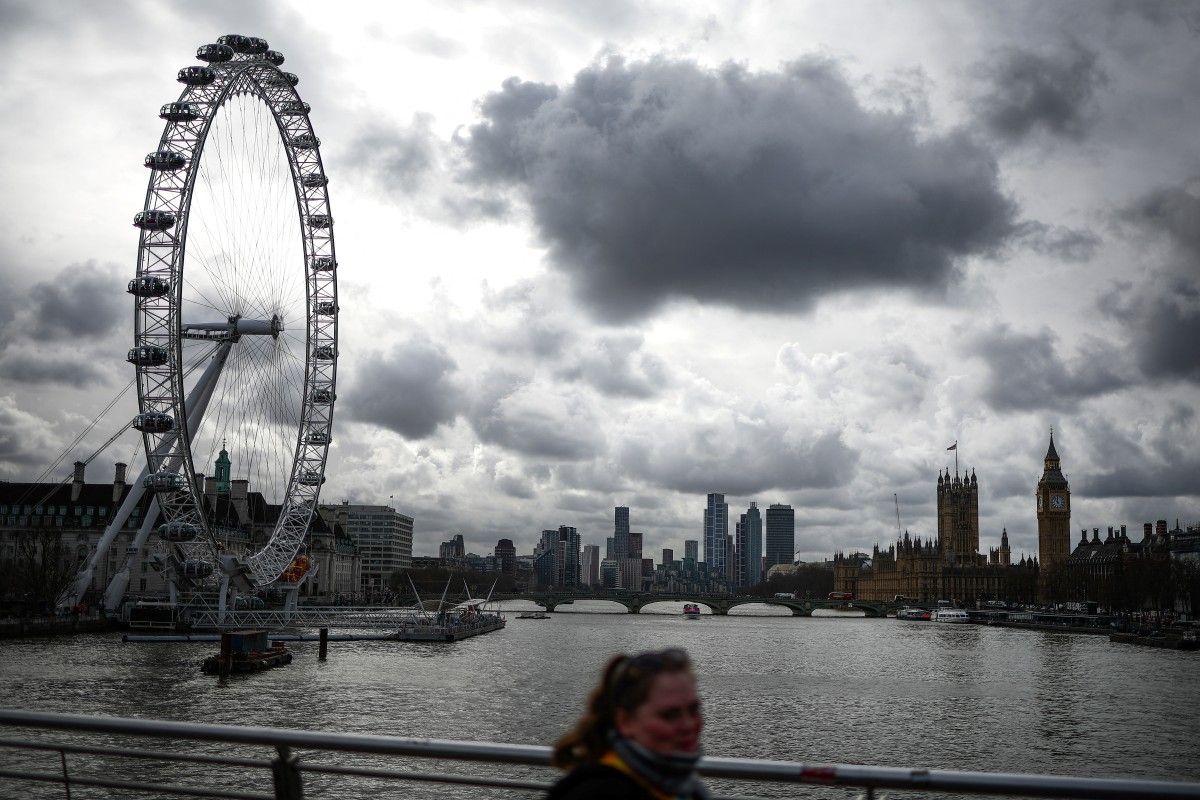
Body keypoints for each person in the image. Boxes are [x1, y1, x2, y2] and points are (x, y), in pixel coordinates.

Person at [548, 648, 708, 800]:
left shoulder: (684, 789)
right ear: (625, 722)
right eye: (669, 715)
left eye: (694, 710)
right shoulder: (597, 794)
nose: (688, 725)